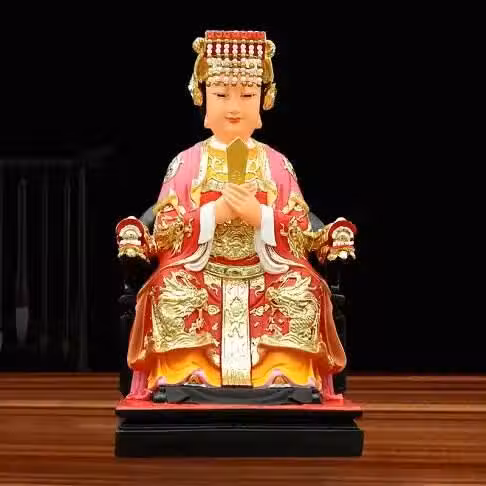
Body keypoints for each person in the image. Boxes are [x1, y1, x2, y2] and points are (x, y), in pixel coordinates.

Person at [116, 30, 356, 401]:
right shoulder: (186, 163)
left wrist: (261, 217)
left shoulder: (276, 164)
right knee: (169, 290)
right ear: (202, 98)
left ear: (263, 101)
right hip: (201, 268)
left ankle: (284, 372)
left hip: (265, 269)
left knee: (303, 290)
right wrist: (213, 214)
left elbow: (300, 229)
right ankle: (185, 373)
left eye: (246, 96)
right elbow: (164, 231)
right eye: (221, 95)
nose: (234, 107)